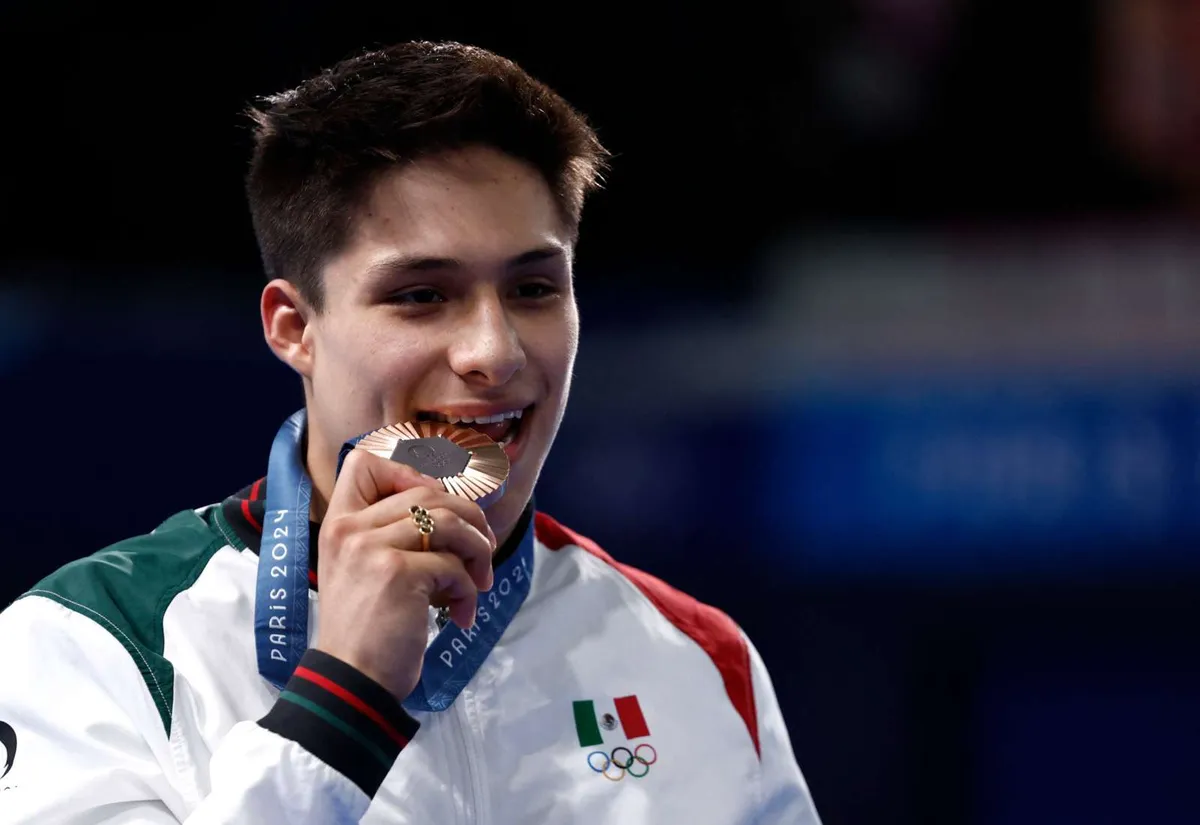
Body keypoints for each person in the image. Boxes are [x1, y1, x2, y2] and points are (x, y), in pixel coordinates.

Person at [0, 41, 821, 823]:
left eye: (534, 288)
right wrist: (342, 699)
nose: (493, 354)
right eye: (422, 295)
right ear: (295, 327)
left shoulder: (700, 658)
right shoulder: (92, 646)